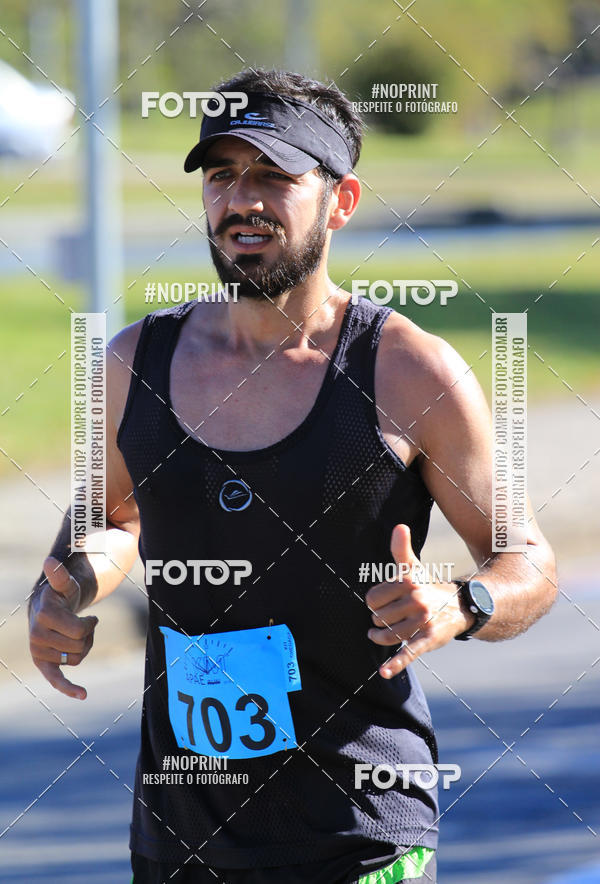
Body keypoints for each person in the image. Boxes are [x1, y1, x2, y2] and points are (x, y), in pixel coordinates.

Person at [28, 68, 557, 884]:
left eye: (274, 176)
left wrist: (461, 602)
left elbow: (528, 564)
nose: (243, 200)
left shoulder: (409, 370)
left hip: (359, 831)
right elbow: (110, 522)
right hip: (180, 838)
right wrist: (61, 597)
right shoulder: (135, 363)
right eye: (221, 176)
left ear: (340, 202)